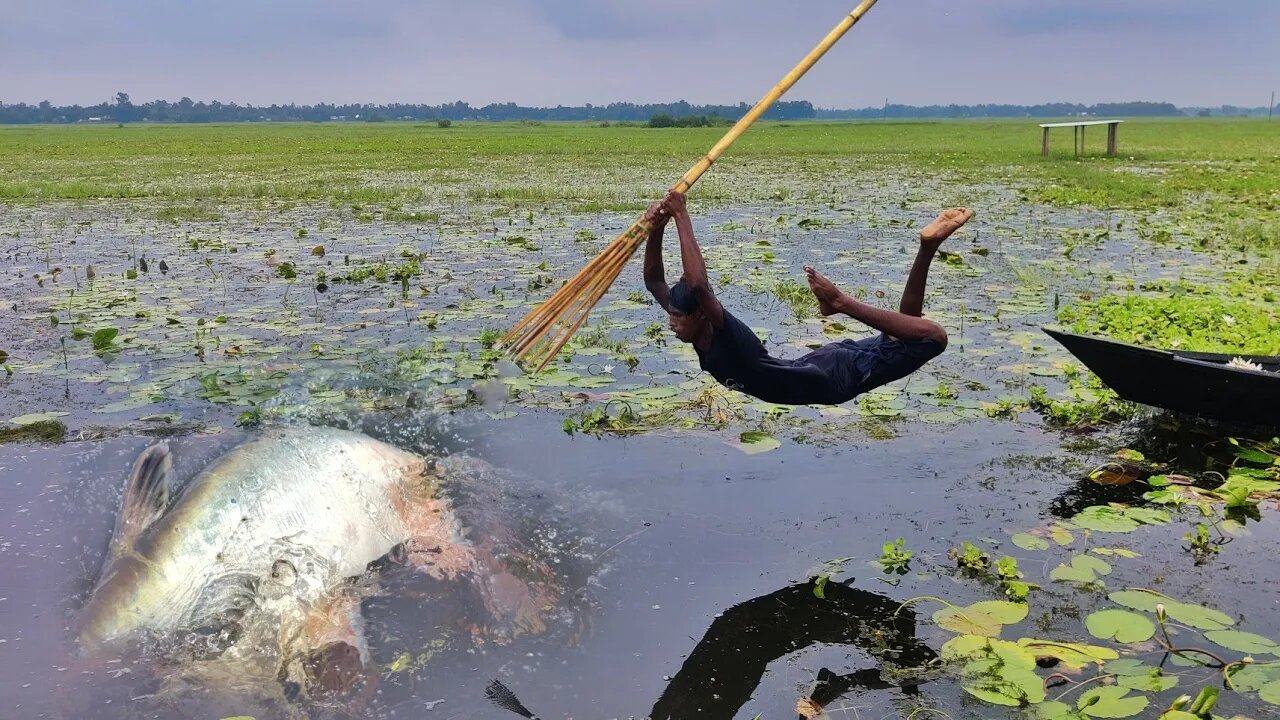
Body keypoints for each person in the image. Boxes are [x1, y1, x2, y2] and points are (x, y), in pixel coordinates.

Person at [642, 190, 973, 406]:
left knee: (933, 337)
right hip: (819, 365)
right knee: (904, 335)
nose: (671, 323)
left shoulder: (723, 331)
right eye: (672, 315)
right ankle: (927, 248)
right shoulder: (692, 322)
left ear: (701, 314)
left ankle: (839, 303)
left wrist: (682, 215)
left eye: (677, 317)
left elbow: (700, 285)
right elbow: (654, 279)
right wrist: (657, 226)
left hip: (838, 379)